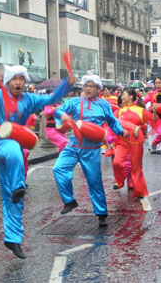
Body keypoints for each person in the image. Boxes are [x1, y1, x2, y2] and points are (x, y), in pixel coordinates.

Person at [0, 65, 74, 259]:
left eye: (21, 78)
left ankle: (12, 239)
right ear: (8, 81)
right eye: (14, 79)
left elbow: (51, 99)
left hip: (14, 145)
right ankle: (19, 186)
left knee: (13, 197)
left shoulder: (29, 99)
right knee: (14, 151)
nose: (18, 82)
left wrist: (66, 85)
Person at [52, 75, 128, 228]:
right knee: (58, 169)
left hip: (91, 149)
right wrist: (62, 115)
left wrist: (121, 131)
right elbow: (57, 111)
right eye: (86, 85)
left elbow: (112, 121)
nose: (88, 89)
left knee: (94, 181)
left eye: (92, 86)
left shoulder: (103, 105)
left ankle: (101, 213)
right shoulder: (74, 102)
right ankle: (69, 201)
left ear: (98, 89)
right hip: (73, 146)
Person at [112, 88, 157, 211]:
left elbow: (153, 122)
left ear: (131, 97)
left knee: (136, 169)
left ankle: (140, 193)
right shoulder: (119, 112)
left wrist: (154, 112)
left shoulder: (141, 110)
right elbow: (112, 125)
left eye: (124, 94)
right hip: (122, 142)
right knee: (117, 162)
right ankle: (120, 182)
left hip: (136, 143)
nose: (122, 96)